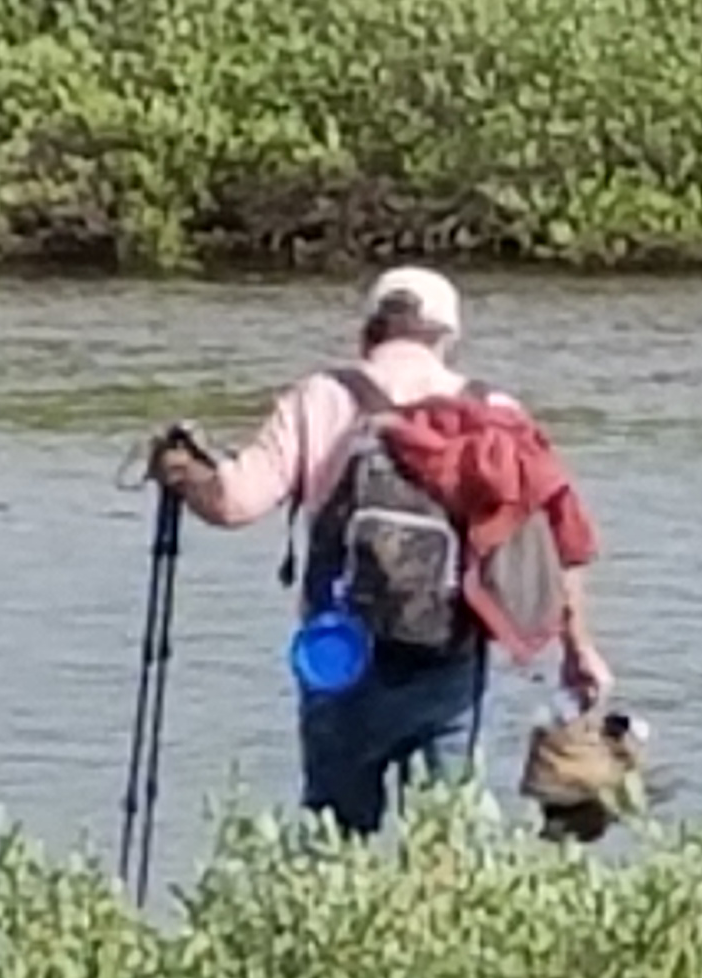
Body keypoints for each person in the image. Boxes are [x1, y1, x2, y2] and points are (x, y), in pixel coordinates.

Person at [148, 265, 614, 838]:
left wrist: (184, 471)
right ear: (447, 336)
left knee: (334, 840)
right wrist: (579, 649)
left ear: (370, 329)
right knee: (447, 844)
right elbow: (554, 542)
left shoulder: (321, 397)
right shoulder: (495, 411)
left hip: (337, 657)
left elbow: (234, 503)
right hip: (448, 661)